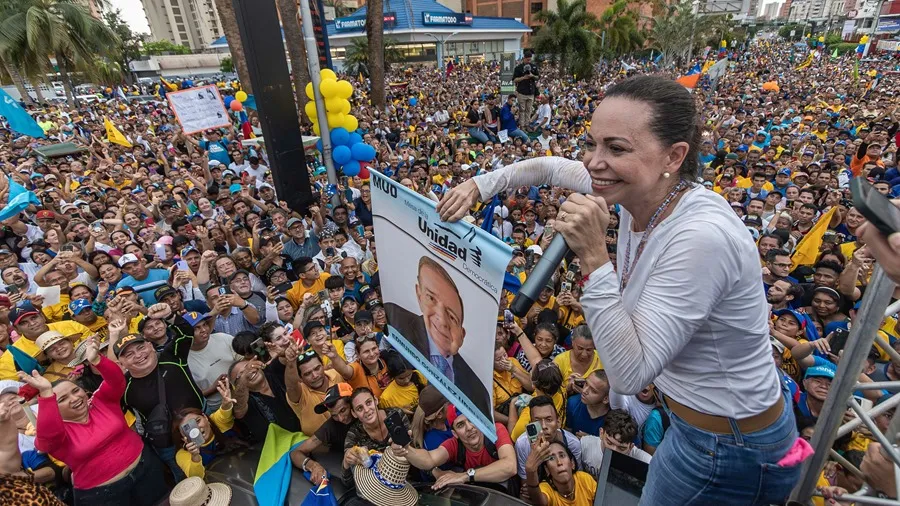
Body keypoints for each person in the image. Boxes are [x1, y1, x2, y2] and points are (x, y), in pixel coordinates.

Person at [438, 75, 800, 504]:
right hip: (695, 428)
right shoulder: (636, 189)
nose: (594, 163)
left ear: (674, 155)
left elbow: (629, 374)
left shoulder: (702, 236)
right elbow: (548, 166)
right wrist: (478, 185)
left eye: (617, 148)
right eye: (592, 144)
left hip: (732, 446)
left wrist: (593, 254)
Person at [19, 337, 170, 506]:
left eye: (76, 390)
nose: (74, 398)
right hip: (105, 496)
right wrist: (46, 394)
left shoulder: (101, 402)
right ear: (53, 409)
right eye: (62, 399)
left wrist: (97, 360)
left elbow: (117, 380)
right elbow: (47, 441)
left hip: (147, 470)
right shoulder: (57, 433)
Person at [383, 256, 491, 421]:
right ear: (419, 295)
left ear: (462, 336)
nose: (441, 319)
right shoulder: (398, 322)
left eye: (452, 317)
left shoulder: (477, 389)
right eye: (431, 298)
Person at [395, 404, 517, 490]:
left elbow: (510, 466)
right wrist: (405, 449)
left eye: (471, 419)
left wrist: (464, 476)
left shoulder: (495, 431)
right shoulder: (454, 444)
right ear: (454, 434)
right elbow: (429, 459)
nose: (469, 427)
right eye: (460, 425)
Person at [171, 377, 239, 479]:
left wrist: (226, 403)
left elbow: (224, 414)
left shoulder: (215, 422)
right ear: (182, 437)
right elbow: (196, 477)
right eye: (187, 428)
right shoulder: (182, 454)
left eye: (197, 421)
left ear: (206, 418)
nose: (196, 428)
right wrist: (195, 456)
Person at [289, 382, 355, 485]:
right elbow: (295, 453)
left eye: (343, 410)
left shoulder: (366, 413)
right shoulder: (331, 426)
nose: (341, 419)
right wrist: (313, 466)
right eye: (334, 415)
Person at [515, 395, 582, 481]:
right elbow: (525, 482)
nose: (543, 426)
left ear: (558, 422)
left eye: (549, 420)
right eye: (537, 421)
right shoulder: (522, 444)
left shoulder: (572, 444)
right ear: (531, 424)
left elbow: (577, 477)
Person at [579, 409, 652, 480]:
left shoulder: (646, 462)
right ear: (601, 433)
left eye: (621, 448)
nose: (614, 450)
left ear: (631, 447)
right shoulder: (584, 445)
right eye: (609, 443)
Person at [524, 439, 597, 506]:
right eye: (552, 458)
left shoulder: (584, 479)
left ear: (572, 464)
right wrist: (531, 471)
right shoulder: (546, 488)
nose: (559, 462)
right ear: (547, 470)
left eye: (562, 456)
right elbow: (540, 502)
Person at [513, 51, 538, 125]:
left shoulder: (533, 66)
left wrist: (532, 76)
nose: (529, 61)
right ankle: (522, 125)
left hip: (531, 92)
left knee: (529, 110)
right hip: (522, 92)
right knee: (522, 110)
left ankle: (527, 125)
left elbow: (537, 77)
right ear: (524, 58)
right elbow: (514, 79)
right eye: (527, 59)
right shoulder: (518, 68)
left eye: (530, 59)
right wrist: (523, 78)